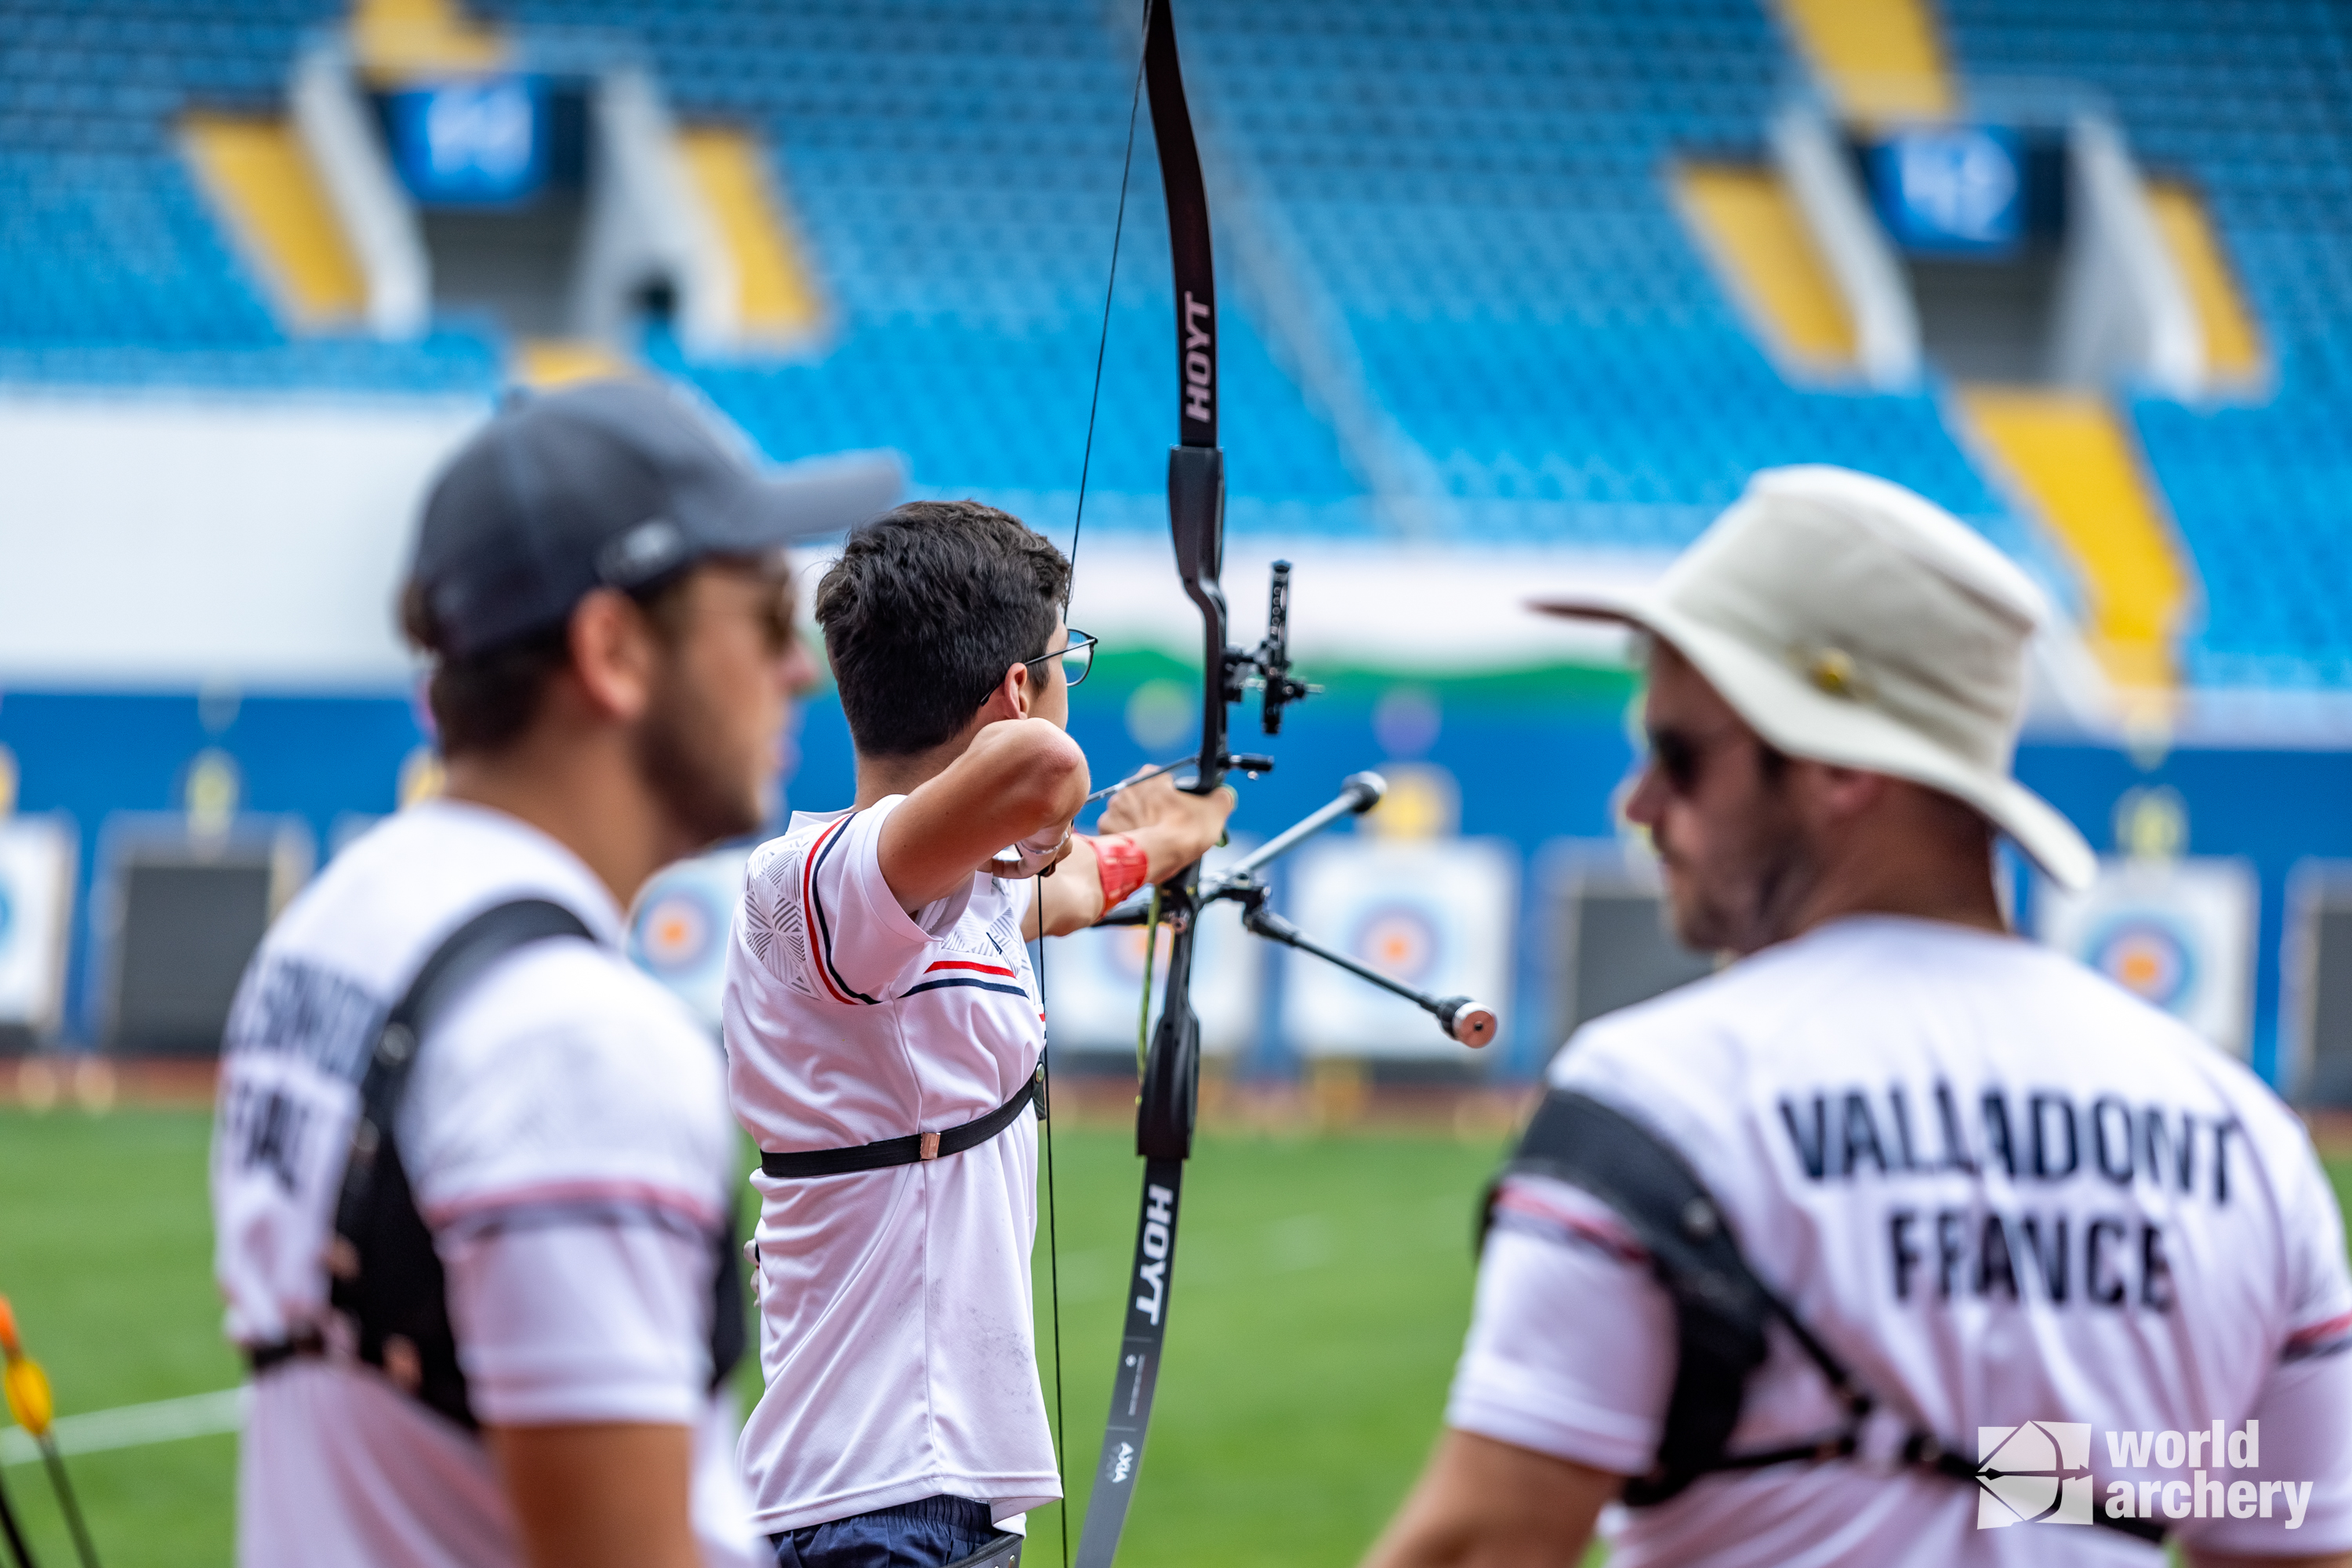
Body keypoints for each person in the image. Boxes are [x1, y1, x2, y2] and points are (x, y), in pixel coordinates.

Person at [1362, 466, 2352, 1568]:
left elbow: (1486, 1546)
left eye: (1682, 756)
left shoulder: (1664, 1097)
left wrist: (1874, 1458)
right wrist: (2003, 1467)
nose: (1638, 804)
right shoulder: (2245, 1140)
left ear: (1835, 765)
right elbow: (2270, 1539)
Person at [211, 379, 874, 1568]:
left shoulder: (339, 921)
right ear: (612, 651)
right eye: (766, 614)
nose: (799, 670)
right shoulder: (575, 1045)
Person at [720, 499, 1234, 1567]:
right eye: (1064, 663)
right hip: (876, 1504)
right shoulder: (814, 883)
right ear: (1015, 692)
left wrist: (1168, 842)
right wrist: (1046, 826)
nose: (1066, 683)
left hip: (917, 1503)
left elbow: (1077, 880)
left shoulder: (948, 892)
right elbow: (1045, 778)